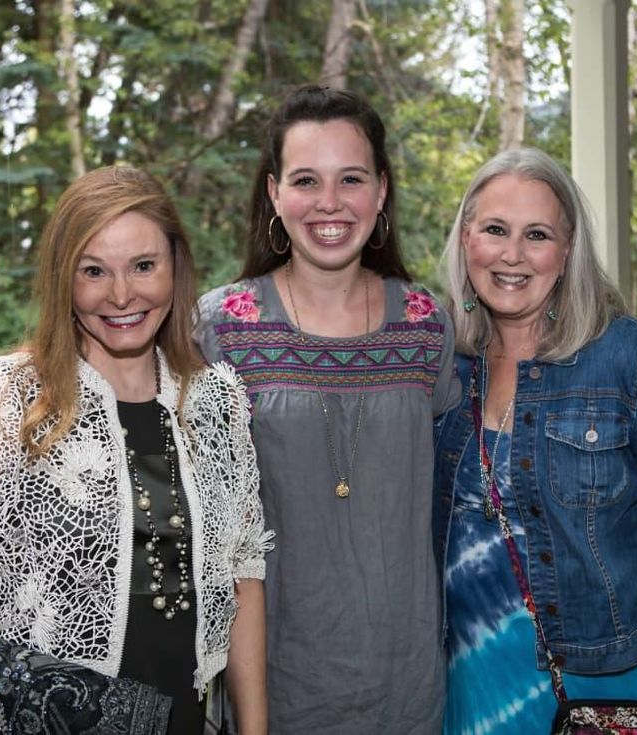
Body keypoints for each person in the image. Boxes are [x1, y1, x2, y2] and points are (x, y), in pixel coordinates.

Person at [0, 166, 271, 735]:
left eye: (143, 265)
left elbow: (243, 576)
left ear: (175, 267)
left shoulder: (214, 403)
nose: (121, 294)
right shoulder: (3, 399)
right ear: (64, 277)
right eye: (94, 271)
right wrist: (31, 688)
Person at [433, 147, 637, 735]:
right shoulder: (442, 367)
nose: (512, 254)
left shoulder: (636, 362)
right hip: (466, 686)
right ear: (465, 241)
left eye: (537, 235)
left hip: (611, 691)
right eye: (495, 230)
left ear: (568, 250)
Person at [195, 84, 459, 734]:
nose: (330, 203)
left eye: (352, 178)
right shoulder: (218, 328)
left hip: (408, 685)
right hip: (271, 688)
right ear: (274, 193)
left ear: (382, 191)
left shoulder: (429, 325)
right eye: (307, 180)